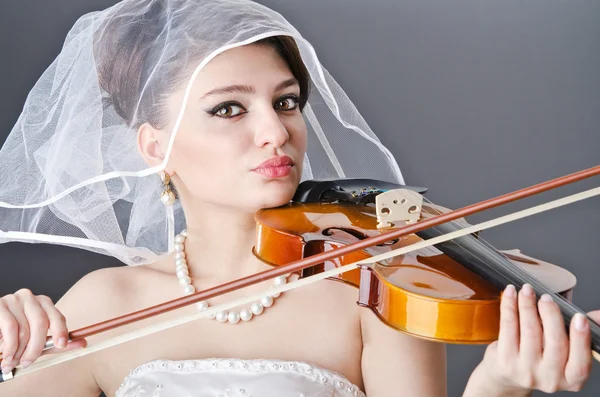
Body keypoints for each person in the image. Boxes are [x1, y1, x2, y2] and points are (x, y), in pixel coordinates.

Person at [0, 0, 597, 395]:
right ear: (155, 147)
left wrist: (498, 385)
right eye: (229, 108)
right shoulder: (100, 308)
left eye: (285, 102)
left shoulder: (375, 292)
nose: (276, 130)